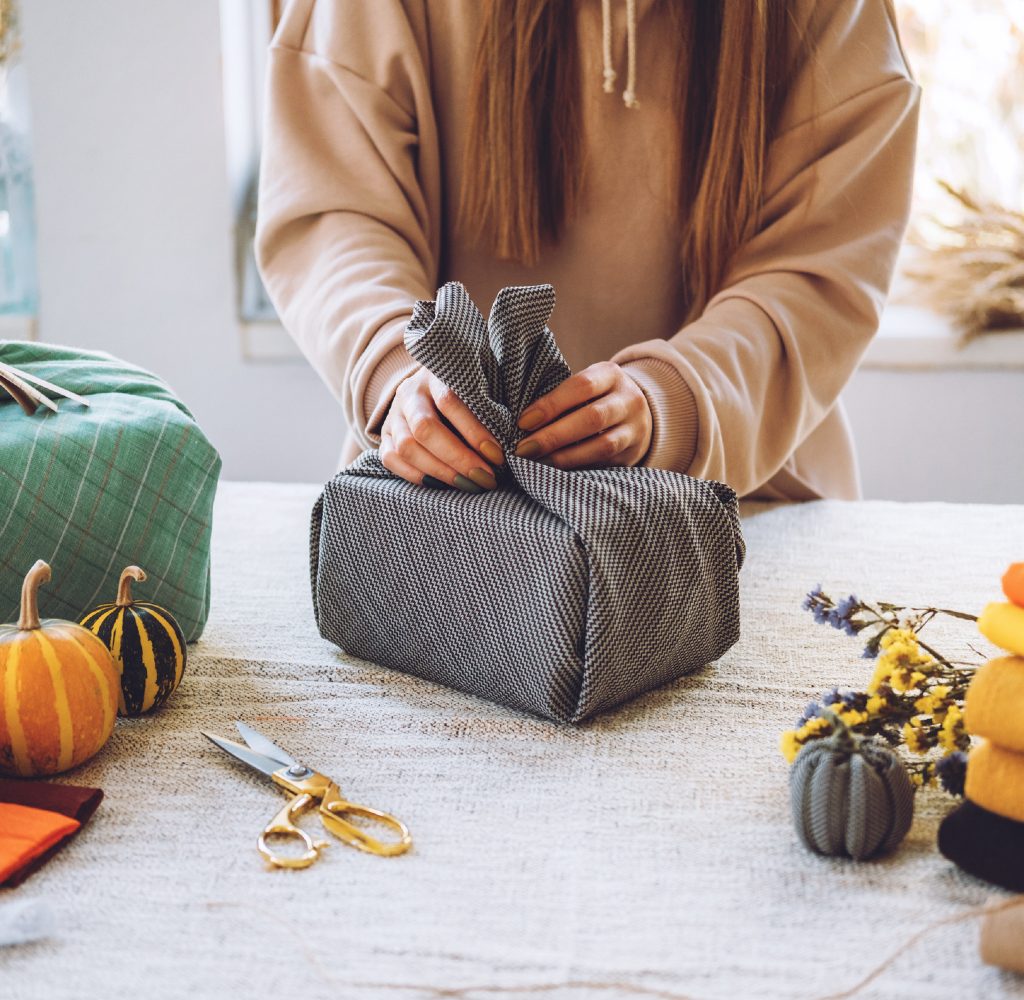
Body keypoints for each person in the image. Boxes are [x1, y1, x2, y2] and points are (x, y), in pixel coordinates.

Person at [255, 0, 921, 500]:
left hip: (749, 508)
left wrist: (674, 404)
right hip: (449, 506)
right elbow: (337, 212)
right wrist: (397, 368)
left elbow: (817, 272)